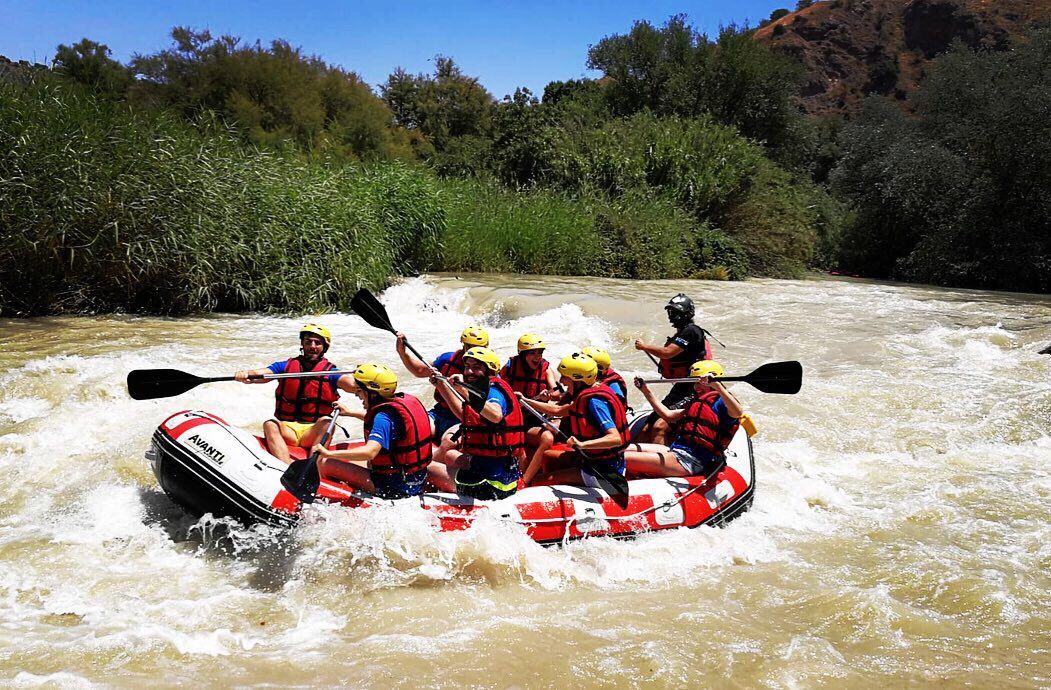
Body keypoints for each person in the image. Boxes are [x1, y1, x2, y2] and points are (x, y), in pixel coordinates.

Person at [234, 324, 357, 463]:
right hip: (288, 429)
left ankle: (313, 467)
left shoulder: (331, 373)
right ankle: (285, 469)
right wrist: (246, 374)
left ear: (324, 347)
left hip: (313, 431)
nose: (312, 346)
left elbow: (352, 386)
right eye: (308, 341)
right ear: (302, 344)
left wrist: (363, 378)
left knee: (327, 423)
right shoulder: (286, 366)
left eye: (317, 343)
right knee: (270, 424)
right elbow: (260, 374)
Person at [311, 363, 433, 499]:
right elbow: (384, 425)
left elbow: (370, 452)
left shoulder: (382, 417)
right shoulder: (400, 402)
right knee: (365, 463)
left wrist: (328, 453)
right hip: (415, 480)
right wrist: (351, 413)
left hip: (394, 487)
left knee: (325, 463)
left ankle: (321, 496)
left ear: (372, 393)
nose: (357, 395)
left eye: (359, 390)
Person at [428, 346, 524, 500]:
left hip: (489, 484)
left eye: (476, 368)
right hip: (499, 473)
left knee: (426, 469)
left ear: (490, 370)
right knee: (451, 455)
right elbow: (463, 413)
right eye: (467, 367)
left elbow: (495, 414)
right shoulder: (482, 389)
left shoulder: (493, 391)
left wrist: (463, 390)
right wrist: (441, 386)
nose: (469, 372)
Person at [521, 352, 628, 489]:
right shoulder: (586, 395)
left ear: (578, 379)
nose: (561, 381)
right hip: (594, 462)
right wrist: (525, 400)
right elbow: (557, 411)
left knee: (537, 482)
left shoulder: (595, 403)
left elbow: (615, 439)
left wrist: (582, 445)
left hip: (604, 472)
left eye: (565, 377)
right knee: (549, 458)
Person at [625, 361, 742, 478]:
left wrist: (718, 386)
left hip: (691, 461)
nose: (696, 387)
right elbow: (667, 415)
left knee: (620, 458)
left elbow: (738, 412)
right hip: (676, 451)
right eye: (694, 383)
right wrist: (645, 390)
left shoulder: (722, 403)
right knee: (619, 450)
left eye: (700, 383)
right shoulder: (698, 403)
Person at [633, 293, 713, 444]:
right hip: (681, 386)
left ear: (687, 314)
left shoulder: (692, 331)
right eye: (671, 312)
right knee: (646, 428)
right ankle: (629, 462)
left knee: (659, 427)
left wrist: (644, 346)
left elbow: (668, 353)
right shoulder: (682, 333)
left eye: (677, 312)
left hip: (693, 388)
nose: (673, 315)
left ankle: (658, 465)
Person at [395, 324, 489, 438]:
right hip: (440, 412)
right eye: (469, 347)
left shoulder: (489, 370)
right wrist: (402, 353)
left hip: (465, 420)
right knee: (409, 430)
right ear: (463, 345)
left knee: (448, 440)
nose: (472, 351)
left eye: (478, 348)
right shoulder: (448, 359)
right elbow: (419, 371)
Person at [500, 333, 558, 400]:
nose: (538, 357)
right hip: (515, 407)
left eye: (540, 352)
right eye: (532, 353)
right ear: (522, 355)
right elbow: (497, 386)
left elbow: (556, 392)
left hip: (536, 408)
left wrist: (549, 395)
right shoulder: (510, 366)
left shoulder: (546, 369)